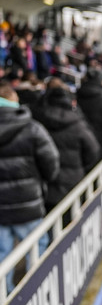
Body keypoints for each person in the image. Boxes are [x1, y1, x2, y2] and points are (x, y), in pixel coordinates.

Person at [0, 81, 59, 292]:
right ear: (14, 101)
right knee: (37, 249)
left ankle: (4, 301)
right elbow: (51, 163)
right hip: (29, 203)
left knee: (2, 256)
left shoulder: (33, 128)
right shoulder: (32, 128)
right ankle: (38, 292)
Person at [30, 78, 99, 212]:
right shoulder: (77, 123)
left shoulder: (36, 120)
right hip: (71, 183)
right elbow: (93, 151)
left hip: (45, 184)